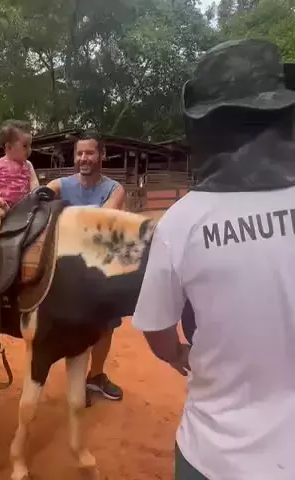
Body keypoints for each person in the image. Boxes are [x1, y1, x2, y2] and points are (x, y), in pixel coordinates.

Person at [132, 39, 295, 479]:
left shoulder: (181, 222)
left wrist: (177, 354)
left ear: (206, 130)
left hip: (214, 457)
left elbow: (157, 331)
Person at [47, 131, 126, 404]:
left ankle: (96, 375)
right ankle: (76, 381)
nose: (84, 158)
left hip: (100, 270)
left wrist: (65, 217)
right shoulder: (61, 184)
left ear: (101, 156)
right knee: (72, 325)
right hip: (67, 271)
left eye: (90, 153)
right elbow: (44, 193)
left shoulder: (115, 189)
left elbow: (101, 221)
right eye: (79, 153)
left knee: (106, 326)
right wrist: (41, 194)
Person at [0, 119, 39, 244]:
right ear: (9, 147)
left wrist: (35, 194)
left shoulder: (28, 165)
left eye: (30, 145)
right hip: (4, 205)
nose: (29, 149)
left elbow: (33, 181)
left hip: (24, 205)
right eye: (25, 146)